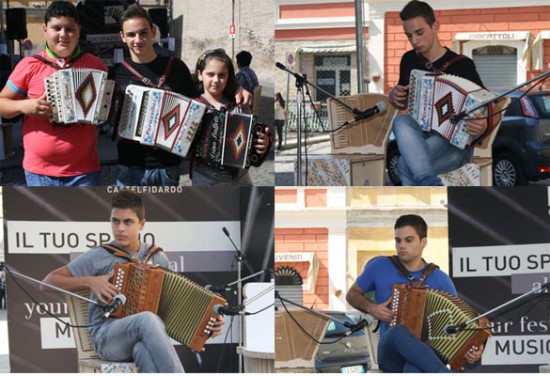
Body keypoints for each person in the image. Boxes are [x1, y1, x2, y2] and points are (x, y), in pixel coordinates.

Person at [41, 190, 224, 372]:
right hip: (107, 337)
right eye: (115, 221)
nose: (120, 228)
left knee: (143, 350)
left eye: (128, 222)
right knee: (147, 320)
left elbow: (174, 307)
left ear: (142, 225)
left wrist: (207, 324)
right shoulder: (100, 255)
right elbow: (48, 282)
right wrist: (91, 281)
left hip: (140, 339)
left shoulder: (157, 258)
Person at [109, 4, 253, 186]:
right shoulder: (116, 73)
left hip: (166, 166)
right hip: (128, 165)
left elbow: (206, 94)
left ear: (153, 31)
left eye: (143, 32)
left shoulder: (176, 68)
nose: (138, 39)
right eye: (131, 34)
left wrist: (237, 88)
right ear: (122, 37)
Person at [346, 214, 484, 372]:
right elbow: (352, 294)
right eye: (398, 240)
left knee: (414, 368)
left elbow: (458, 326)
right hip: (391, 353)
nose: (401, 246)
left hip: (428, 354)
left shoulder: (440, 279)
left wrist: (472, 349)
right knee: (398, 331)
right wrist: (372, 309)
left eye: (408, 240)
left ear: (423, 242)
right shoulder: (379, 266)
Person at [0, 1, 107, 186]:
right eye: (56, 28)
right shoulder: (29, 65)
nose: (63, 35)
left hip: (84, 172)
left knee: (84, 216)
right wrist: (24, 106)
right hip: (39, 173)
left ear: (79, 30)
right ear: (45, 30)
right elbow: (2, 104)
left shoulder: (96, 65)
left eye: (69, 29)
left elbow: (106, 107)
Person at [388, 0, 489, 186]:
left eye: (419, 33)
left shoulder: (461, 64)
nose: (414, 41)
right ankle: (429, 186)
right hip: (421, 137)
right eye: (409, 36)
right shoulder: (408, 60)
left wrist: (482, 124)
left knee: (404, 165)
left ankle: (423, 195)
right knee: (401, 121)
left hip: (453, 143)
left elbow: (488, 105)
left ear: (435, 26)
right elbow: (401, 103)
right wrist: (394, 97)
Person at [191, 48, 270, 186]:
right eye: (210, 74)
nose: (216, 80)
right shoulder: (193, 107)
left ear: (229, 77)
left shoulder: (239, 105)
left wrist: (263, 143)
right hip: (206, 178)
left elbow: (253, 135)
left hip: (241, 178)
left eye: (222, 75)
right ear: (199, 75)